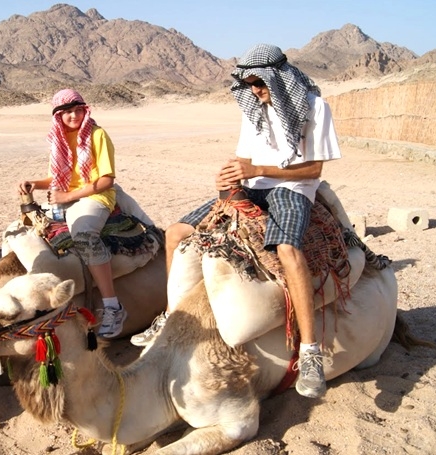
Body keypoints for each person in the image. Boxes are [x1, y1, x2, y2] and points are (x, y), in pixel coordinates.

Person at [134, 44, 341, 399]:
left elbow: (315, 168)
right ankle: (169, 317)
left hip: (293, 189)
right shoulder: (254, 110)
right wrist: (230, 177)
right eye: (248, 84)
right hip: (252, 186)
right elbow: (243, 158)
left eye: (260, 82)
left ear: (279, 77)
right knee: (175, 233)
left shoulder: (315, 107)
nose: (256, 90)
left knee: (288, 248)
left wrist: (258, 170)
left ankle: (309, 352)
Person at [17, 88, 127, 338]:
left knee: (85, 235)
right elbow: (56, 177)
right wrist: (35, 183)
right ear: (58, 115)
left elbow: (107, 179)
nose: (74, 116)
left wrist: (67, 197)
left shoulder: (97, 135)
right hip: (64, 196)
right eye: (67, 112)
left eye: (78, 110)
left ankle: (113, 306)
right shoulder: (58, 140)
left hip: (95, 196)